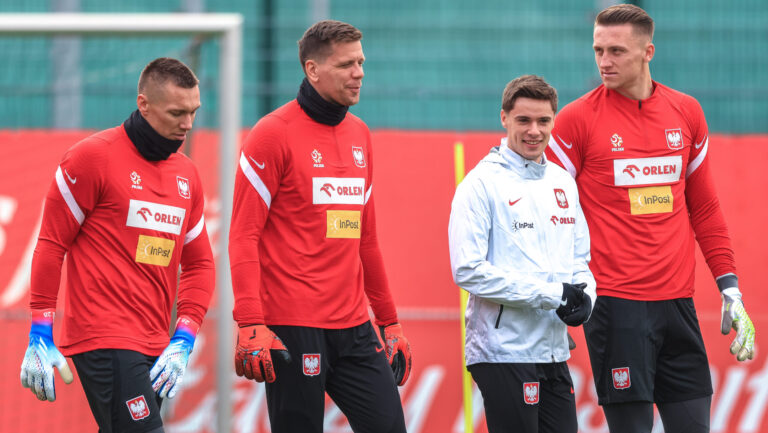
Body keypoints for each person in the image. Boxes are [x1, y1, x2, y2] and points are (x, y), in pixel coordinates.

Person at [545, 4, 756, 433]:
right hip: (615, 307)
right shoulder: (575, 120)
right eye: (598, 50)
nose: (604, 61)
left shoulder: (687, 112)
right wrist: (552, 298)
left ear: (648, 52)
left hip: (678, 305)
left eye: (617, 51)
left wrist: (730, 288)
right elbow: (548, 213)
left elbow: (705, 209)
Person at [228, 20, 412, 433]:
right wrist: (250, 321)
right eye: (346, 64)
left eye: (361, 62)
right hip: (293, 327)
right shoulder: (272, 134)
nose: (359, 73)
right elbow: (243, 235)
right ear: (312, 69)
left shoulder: (360, 134)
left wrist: (389, 320)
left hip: (355, 326)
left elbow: (367, 241)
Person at [19, 57, 215, 433]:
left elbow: (200, 263)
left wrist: (185, 336)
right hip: (104, 335)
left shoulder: (187, 173)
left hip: (157, 341)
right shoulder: (91, 157)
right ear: (144, 104)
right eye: (177, 112)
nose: (188, 124)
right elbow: (51, 244)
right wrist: (40, 328)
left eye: (194, 111)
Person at [449, 75, 596, 433]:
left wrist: (586, 295)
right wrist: (552, 294)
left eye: (543, 121)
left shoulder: (563, 182)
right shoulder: (480, 184)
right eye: (523, 120)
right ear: (504, 118)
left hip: (553, 349)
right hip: (502, 352)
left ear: (553, 121)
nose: (534, 131)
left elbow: (579, 258)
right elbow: (467, 270)